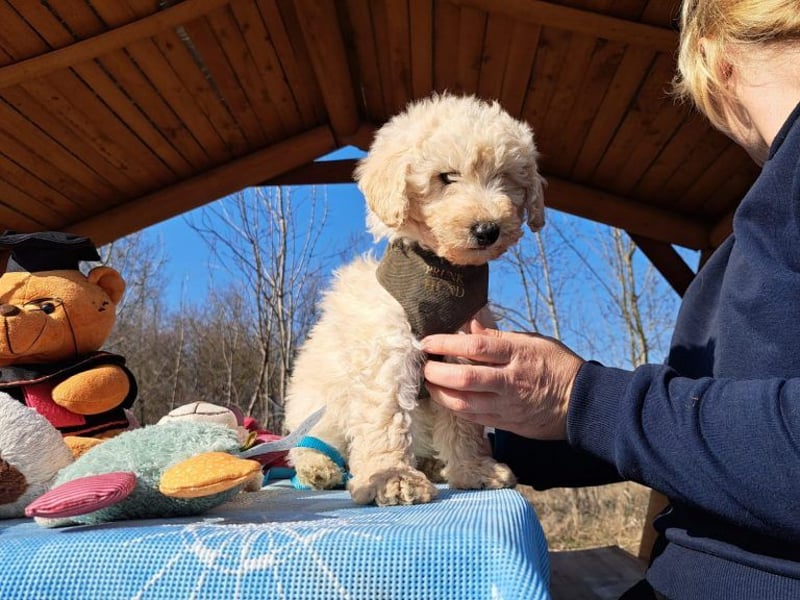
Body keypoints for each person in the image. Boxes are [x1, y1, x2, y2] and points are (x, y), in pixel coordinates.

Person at [421, 1, 800, 598]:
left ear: (714, 60)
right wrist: (495, 430)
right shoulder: (747, 233)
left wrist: (581, 397)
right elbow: (690, 432)